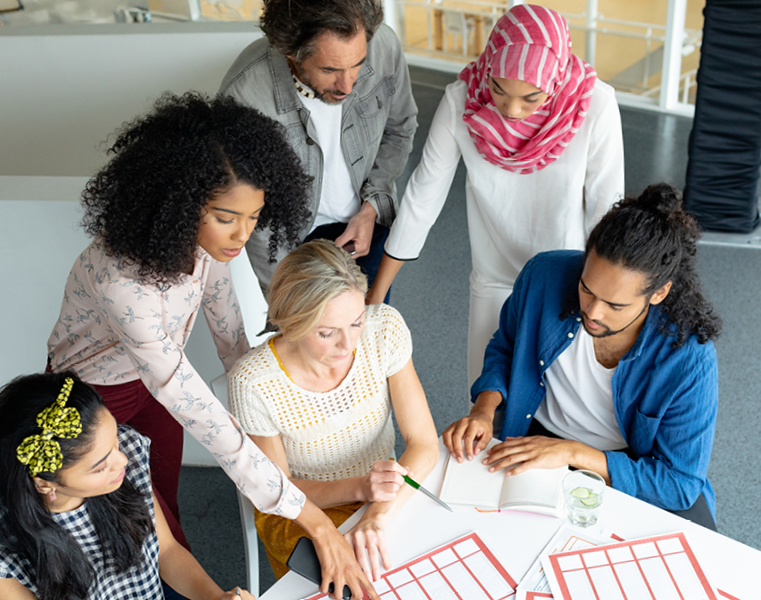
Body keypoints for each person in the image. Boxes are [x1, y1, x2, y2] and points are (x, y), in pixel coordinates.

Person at [46, 93, 377, 599]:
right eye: (226, 217)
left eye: (253, 216)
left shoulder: (210, 247)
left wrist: (268, 402)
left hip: (150, 388)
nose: (242, 234)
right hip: (93, 396)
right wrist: (308, 514)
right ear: (179, 202)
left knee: (163, 505)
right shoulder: (120, 279)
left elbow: (233, 342)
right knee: (114, 518)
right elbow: (197, 408)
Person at [367, 4, 624, 386]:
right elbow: (423, 197)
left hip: (570, 278)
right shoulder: (461, 101)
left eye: (531, 98)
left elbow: (606, 212)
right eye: (499, 90)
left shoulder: (595, 105)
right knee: (485, 398)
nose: (512, 110)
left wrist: (601, 301)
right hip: (493, 276)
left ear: (553, 81)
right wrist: (375, 297)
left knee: (554, 405)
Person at [443, 184, 722, 530]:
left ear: (659, 293)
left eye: (616, 305)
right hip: (537, 435)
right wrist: (484, 409)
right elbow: (506, 347)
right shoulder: (543, 275)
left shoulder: (689, 358)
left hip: (627, 465)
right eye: (587, 289)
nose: (593, 311)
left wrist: (573, 453)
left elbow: (679, 484)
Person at [228, 240, 439, 581]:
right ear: (291, 323)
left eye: (356, 322)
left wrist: (377, 514)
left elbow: (425, 444)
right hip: (301, 508)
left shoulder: (383, 329)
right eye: (327, 333)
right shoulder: (253, 381)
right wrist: (361, 489)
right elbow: (278, 489)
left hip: (382, 493)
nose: (348, 344)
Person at [219, 0, 418, 299]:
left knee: (368, 334)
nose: (347, 85)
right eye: (330, 69)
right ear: (291, 53)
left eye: (357, 65)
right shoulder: (244, 94)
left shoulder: (384, 44)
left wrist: (371, 208)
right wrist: (282, 298)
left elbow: (400, 128)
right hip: (291, 246)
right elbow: (247, 209)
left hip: (366, 224)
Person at [0, 372, 256, 600]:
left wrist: (216, 597)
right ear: (44, 483)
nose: (122, 459)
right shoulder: (6, 549)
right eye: (100, 466)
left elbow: (165, 551)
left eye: (115, 441)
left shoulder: (128, 453)